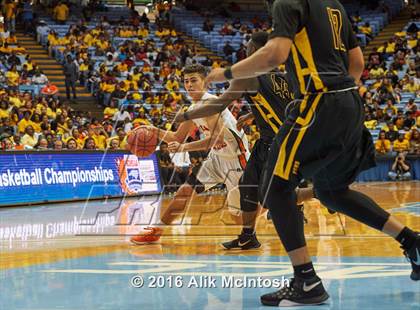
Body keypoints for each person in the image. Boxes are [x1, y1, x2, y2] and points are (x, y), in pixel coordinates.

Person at [204, 0, 419, 306]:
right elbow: (356, 64)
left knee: (275, 191)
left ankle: (306, 280)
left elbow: (274, 55)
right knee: (332, 193)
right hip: (348, 102)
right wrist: (337, 100)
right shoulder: (333, 5)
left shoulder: (286, 2)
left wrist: (224, 72)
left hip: (319, 102)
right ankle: (412, 242)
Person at [170, 32, 316, 250]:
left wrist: (186, 116)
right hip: (267, 142)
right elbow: (293, 107)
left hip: (278, 144)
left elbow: (219, 105)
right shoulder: (283, 77)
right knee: (247, 188)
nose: (245, 52)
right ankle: (248, 236)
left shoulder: (249, 75)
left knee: (271, 199)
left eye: (248, 48)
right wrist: (252, 115)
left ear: (257, 51)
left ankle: (321, 191)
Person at [129, 64, 250, 245]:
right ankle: (156, 230)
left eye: (194, 80)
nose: (189, 85)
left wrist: (183, 148)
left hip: (237, 161)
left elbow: (215, 139)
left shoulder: (210, 104)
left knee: (238, 218)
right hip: (216, 159)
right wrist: (153, 130)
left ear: (205, 82)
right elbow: (176, 137)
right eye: (186, 81)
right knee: (184, 192)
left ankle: (284, 204)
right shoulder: (192, 109)